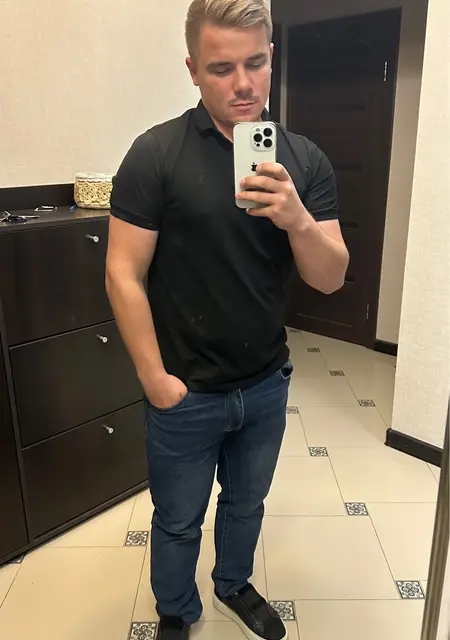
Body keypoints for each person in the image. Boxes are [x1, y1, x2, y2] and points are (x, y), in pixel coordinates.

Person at [106, 1, 349, 638]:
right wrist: (155, 380)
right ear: (192, 70)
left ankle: (233, 584)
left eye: (255, 63)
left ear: (272, 58)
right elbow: (122, 273)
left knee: (246, 505)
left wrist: (296, 218)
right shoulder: (155, 154)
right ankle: (176, 610)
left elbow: (330, 276)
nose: (242, 84)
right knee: (178, 519)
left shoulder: (304, 160)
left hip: (266, 384)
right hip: (185, 392)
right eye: (221, 68)